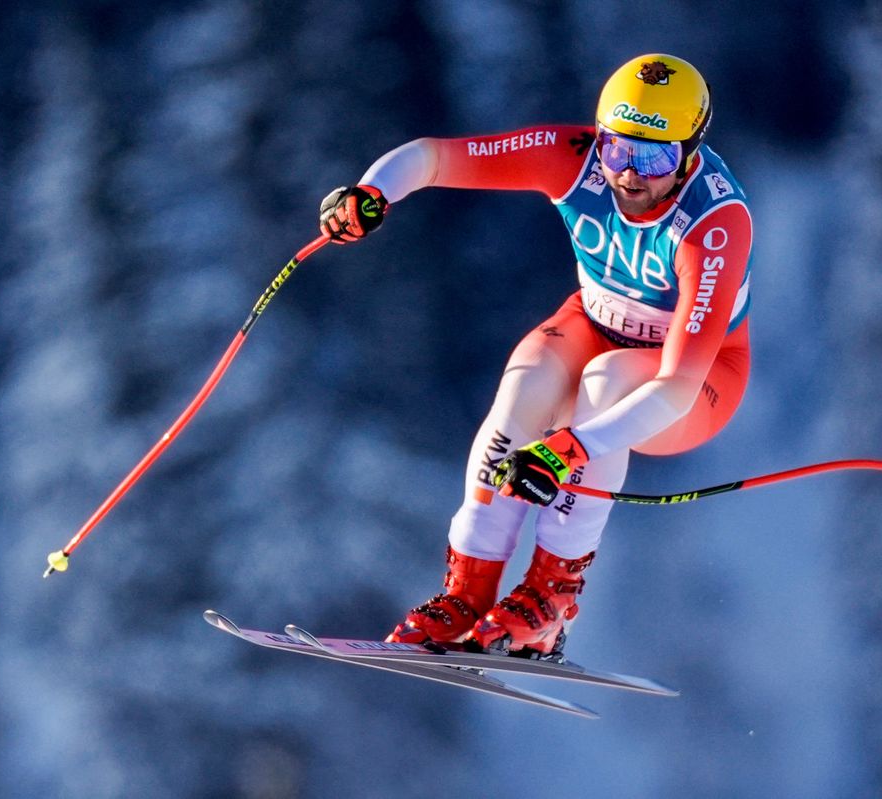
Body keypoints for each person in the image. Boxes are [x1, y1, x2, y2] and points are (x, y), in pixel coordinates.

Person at [318, 54, 753, 657]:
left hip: (698, 378)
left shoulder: (714, 222)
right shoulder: (575, 158)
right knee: (525, 388)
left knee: (604, 382)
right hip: (594, 321)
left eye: (654, 158)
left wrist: (574, 446)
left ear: (691, 152)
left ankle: (551, 596)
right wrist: (371, 194)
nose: (629, 175)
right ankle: (468, 592)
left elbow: (677, 385)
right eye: (618, 149)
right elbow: (433, 157)